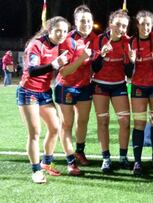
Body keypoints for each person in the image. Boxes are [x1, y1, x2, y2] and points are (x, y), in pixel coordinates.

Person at [16, 16, 70, 183]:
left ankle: (46, 163)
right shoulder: (36, 44)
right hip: (28, 91)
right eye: (58, 30)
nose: (62, 34)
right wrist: (54, 64)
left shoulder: (60, 45)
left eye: (65, 31)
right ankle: (36, 170)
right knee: (35, 133)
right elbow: (32, 71)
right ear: (49, 29)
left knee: (55, 127)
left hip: (45, 92)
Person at [55, 5, 98, 171]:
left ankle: (80, 151)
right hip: (66, 86)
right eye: (82, 21)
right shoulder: (68, 39)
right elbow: (65, 71)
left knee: (83, 121)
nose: (86, 24)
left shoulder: (95, 38)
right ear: (75, 22)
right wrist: (82, 58)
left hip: (85, 86)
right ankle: (70, 160)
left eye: (88, 21)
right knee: (67, 124)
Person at [92, 10, 132, 173]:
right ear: (110, 25)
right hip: (100, 85)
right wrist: (102, 55)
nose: (121, 29)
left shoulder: (127, 42)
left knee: (125, 122)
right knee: (103, 122)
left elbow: (130, 72)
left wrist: (130, 60)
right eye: (118, 25)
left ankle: (123, 157)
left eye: (124, 26)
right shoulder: (99, 40)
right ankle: (106, 158)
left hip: (118, 85)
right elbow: (94, 68)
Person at [128, 10, 153, 175]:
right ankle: (137, 161)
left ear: (152, 25)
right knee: (140, 124)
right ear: (137, 25)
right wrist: (131, 61)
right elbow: (128, 72)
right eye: (142, 24)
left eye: (148, 24)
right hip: (138, 87)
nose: (145, 27)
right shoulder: (131, 42)